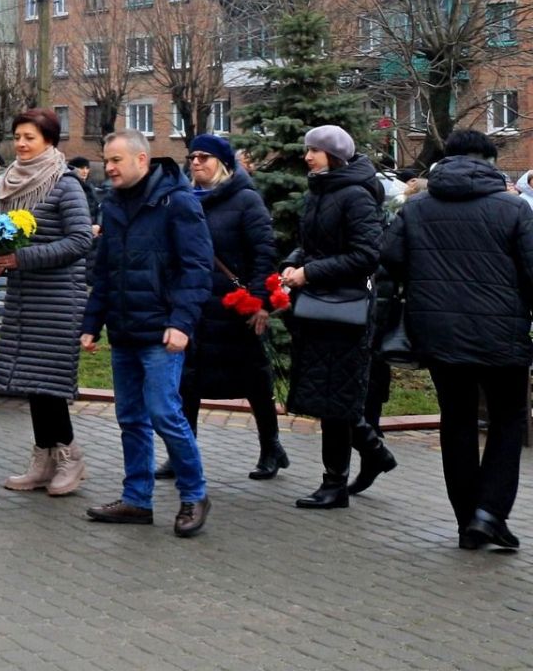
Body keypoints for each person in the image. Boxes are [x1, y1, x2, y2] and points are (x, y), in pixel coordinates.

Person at [381, 128, 533, 550]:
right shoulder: (513, 208)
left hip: (437, 333)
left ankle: (468, 520)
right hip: (503, 333)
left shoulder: (417, 207)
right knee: (507, 419)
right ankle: (490, 513)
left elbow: (390, 257)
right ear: (489, 161)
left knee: (457, 420)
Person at [80, 130, 213, 538]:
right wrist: (91, 324)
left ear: (142, 160)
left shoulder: (177, 201)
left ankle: (194, 494)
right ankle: (137, 500)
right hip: (124, 331)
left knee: (164, 414)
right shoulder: (114, 204)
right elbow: (105, 271)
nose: (109, 168)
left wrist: (182, 323)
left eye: (116, 160)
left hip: (161, 333)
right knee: (131, 419)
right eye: (107, 160)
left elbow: (197, 267)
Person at [280, 124, 395, 510]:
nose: (307, 157)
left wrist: (309, 273)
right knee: (327, 393)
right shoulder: (320, 190)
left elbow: (367, 255)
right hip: (319, 307)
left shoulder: (355, 194)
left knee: (336, 396)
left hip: (345, 311)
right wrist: (291, 264)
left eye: (315, 150)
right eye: (307, 149)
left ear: (336, 155)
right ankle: (373, 454)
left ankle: (335, 484)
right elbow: (310, 244)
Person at [0, 109, 94, 498]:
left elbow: (81, 240)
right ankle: (43, 458)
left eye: (29, 137)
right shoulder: (10, 181)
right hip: (25, 296)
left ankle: (69, 456)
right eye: (17, 136)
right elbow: (10, 239)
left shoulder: (65, 184)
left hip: (58, 297)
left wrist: (21, 259)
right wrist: (0, 260)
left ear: (49, 140)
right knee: (32, 380)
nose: (21, 143)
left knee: (49, 380)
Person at [167, 134, 287, 481]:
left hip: (236, 309)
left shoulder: (246, 200)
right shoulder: (183, 199)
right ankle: (182, 454)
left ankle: (271, 447)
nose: (196, 162)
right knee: (187, 382)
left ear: (222, 163)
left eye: (204, 157)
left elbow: (264, 254)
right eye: (192, 157)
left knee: (254, 380)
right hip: (194, 307)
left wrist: (261, 303)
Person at [68, 156, 101, 222]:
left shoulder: (90, 186)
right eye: (81, 168)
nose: (85, 171)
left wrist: (98, 224)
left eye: (87, 168)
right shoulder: (70, 187)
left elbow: (97, 207)